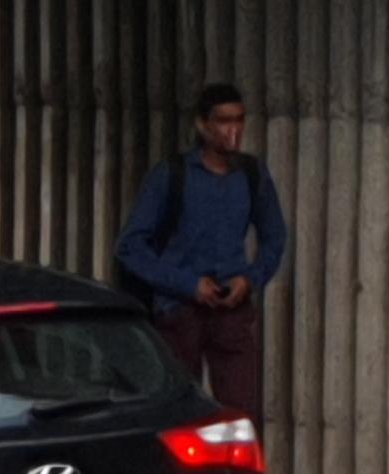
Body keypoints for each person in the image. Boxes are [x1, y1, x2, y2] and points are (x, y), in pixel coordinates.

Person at [115, 82, 289, 424]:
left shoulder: (252, 174)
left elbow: (275, 236)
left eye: (239, 120)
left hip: (232, 308)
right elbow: (130, 247)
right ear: (202, 125)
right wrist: (188, 284)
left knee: (243, 416)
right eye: (223, 121)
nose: (233, 130)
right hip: (180, 311)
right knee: (179, 415)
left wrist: (250, 279)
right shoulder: (172, 175)